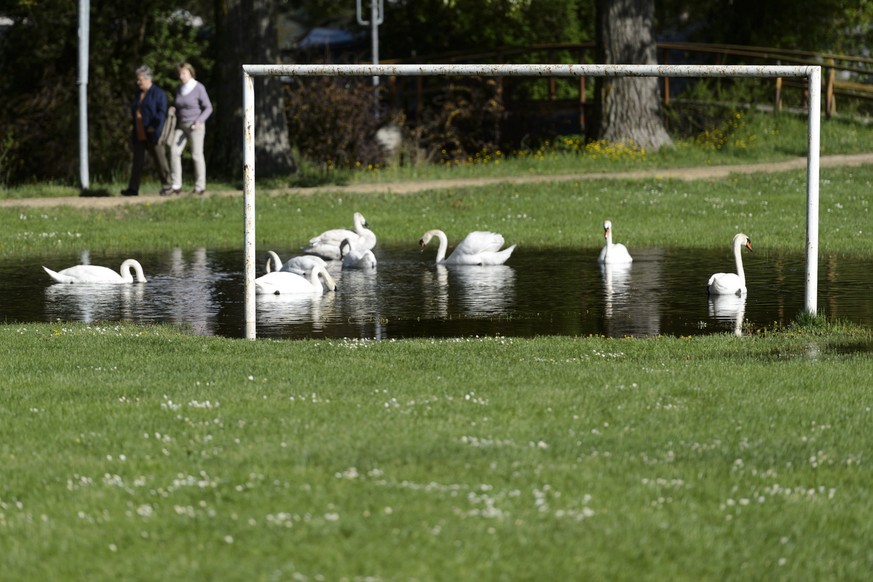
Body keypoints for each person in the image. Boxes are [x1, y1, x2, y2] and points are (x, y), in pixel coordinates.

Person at [121, 65, 173, 196]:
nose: (138, 82)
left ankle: (168, 186)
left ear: (148, 79)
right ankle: (133, 189)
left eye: (140, 80)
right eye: (137, 80)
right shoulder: (138, 93)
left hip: (152, 133)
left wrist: (155, 127)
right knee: (137, 162)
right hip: (139, 132)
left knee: (160, 160)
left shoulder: (158, 93)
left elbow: (161, 113)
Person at [169, 62, 213, 195]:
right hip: (181, 125)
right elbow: (179, 105)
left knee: (196, 155)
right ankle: (176, 185)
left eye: (184, 73)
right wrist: (174, 109)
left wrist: (200, 120)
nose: (181, 76)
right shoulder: (179, 88)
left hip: (195, 126)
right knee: (174, 151)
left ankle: (200, 187)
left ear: (190, 73)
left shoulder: (198, 87)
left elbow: (208, 107)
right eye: (180, 73)